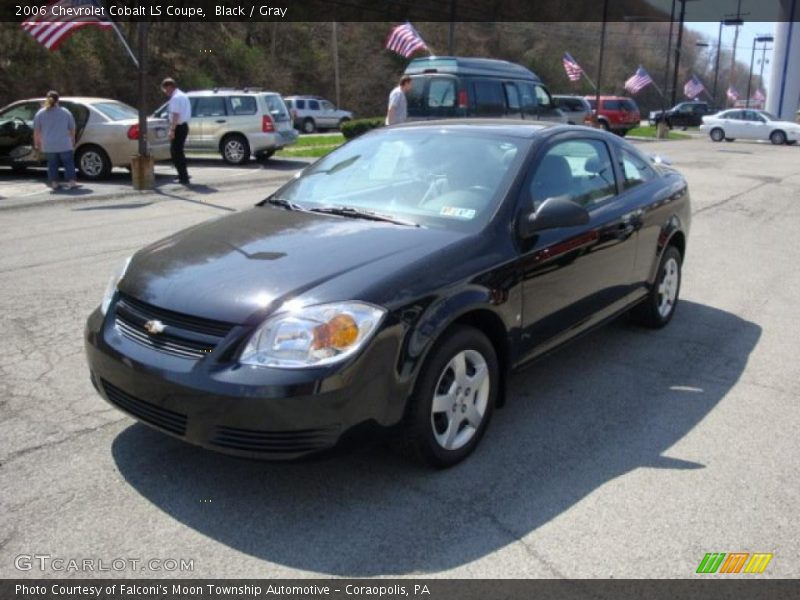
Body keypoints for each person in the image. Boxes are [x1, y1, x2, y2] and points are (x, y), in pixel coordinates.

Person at [33, 90, 79, 190]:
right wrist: (73, 140)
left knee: (52, 164)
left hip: (49, 145)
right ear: (58, 99)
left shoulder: (40, 113)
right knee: (68, 163)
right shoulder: (65, 112)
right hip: (64, 143)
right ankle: (72, 182)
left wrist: (37, 144)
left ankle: (54, 183)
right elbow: (72, 129)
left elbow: (37, 131)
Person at [161, 77, 191, 185]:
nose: (166, 92)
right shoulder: (183, 95)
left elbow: (175, 115)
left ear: (170, 87)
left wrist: (172, 130)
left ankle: (183, 177)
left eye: (166, 89)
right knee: (178, 152)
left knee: (176, 153)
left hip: (178, 127)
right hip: (183, 126)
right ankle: (182, 174)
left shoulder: (176, 98)